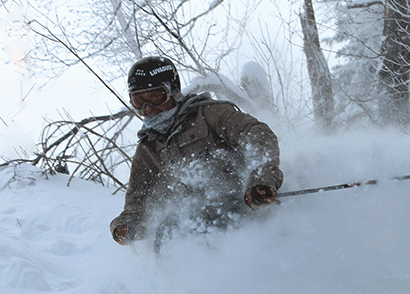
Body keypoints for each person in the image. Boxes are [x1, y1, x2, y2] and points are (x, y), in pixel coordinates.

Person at [110, 55, 282, 246]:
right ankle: (180, 273)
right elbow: (138, 198)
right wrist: (126, 225)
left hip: (243, 208)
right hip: (195, 225)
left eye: (155, 98)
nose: (147, 109)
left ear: (173, 91)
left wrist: (261, 179)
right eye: (138, 101)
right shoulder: (148, 148)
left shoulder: (209, 114)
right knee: (168, 231)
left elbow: (257, 134)